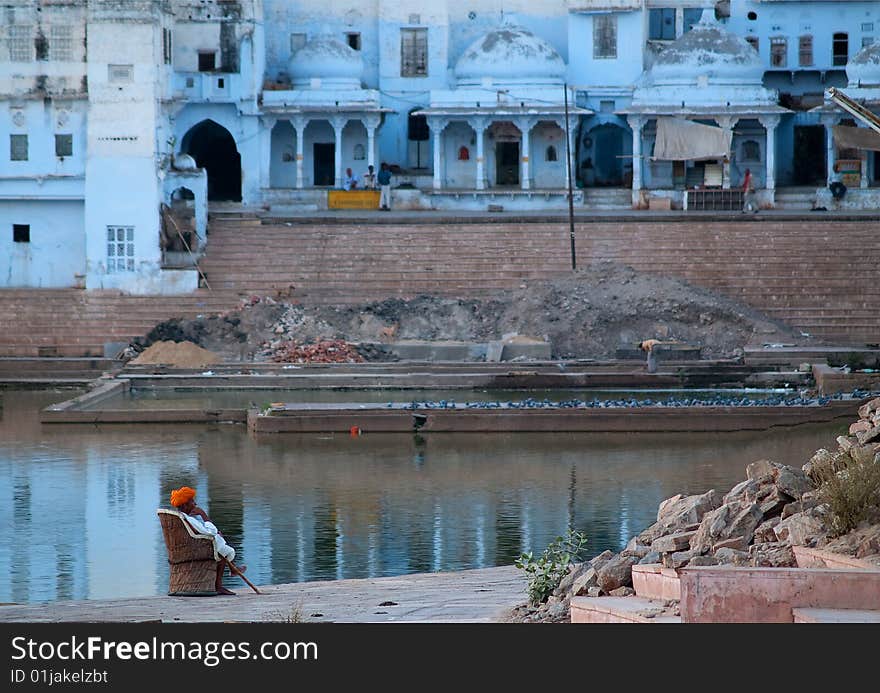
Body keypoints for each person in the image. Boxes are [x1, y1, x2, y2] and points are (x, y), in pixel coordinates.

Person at [169, 486, 245, 595]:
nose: (195, 504)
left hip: (190, 547)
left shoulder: (183, 517)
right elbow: (210, 533)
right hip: (200, 549)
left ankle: (231, 571)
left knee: (222, 545)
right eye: (192, 501)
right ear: (185, 505)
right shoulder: (189, 519)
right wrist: (203, 514)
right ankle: (219, 585)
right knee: (224, 550)